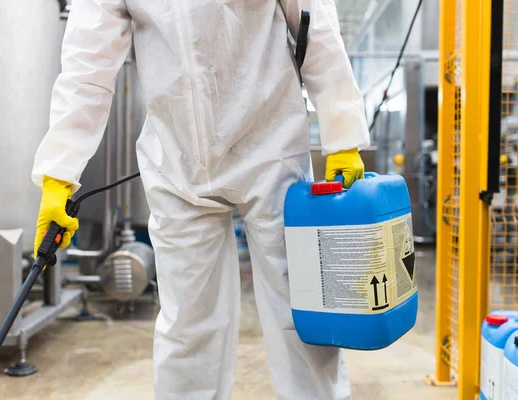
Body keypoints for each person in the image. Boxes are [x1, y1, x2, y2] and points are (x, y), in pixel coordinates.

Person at [32, 0, 369, 398]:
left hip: (269, 144)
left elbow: (314, 21)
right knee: (188, 327)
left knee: (302, 312)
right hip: (177, 161)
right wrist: (59, 173)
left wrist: (342, 132)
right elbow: (88, 65)